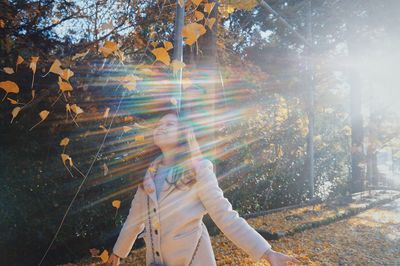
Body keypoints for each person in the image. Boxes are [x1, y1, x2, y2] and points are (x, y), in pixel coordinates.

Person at [107, 106, 299, 266]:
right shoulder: (147, 177)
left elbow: (224, 214)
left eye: (169, 124)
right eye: (158, 125)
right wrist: (118, 253)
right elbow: (134, 221)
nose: (161, 128)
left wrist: (267, 252)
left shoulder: (197, 170)